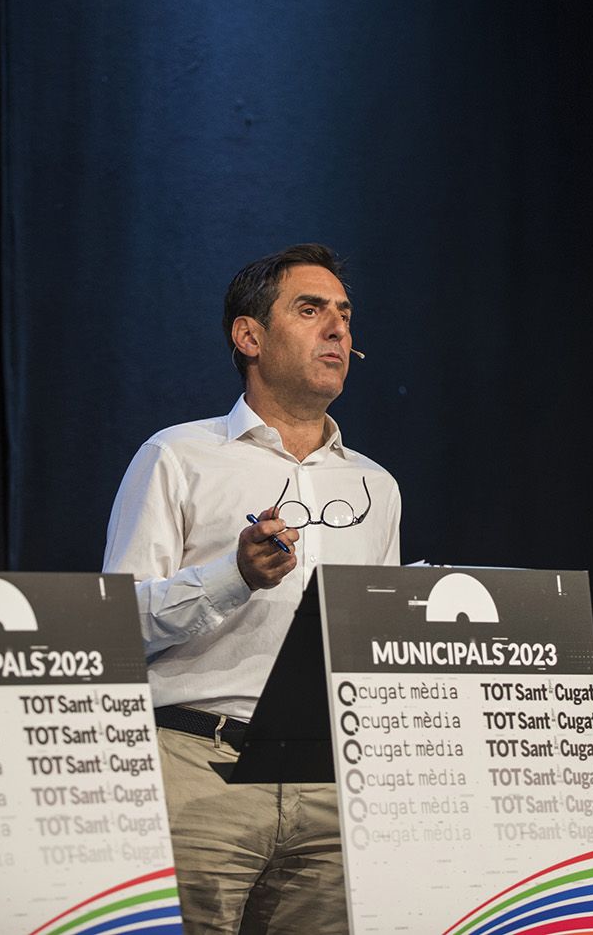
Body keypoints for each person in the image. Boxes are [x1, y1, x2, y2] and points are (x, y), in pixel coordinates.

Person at [104, 243, 401, 934]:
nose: (338, 328)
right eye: (311, 310)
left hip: (333, 782)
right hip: (195, 767)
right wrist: (231, 578)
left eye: (345, 314)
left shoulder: (376, 485)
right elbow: (114, 629)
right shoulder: (177, 456)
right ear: (249, 336)